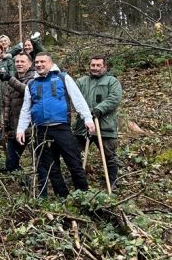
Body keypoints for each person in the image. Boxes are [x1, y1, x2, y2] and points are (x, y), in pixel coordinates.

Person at [16, 53, 94, 197]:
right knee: (51, 167)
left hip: (61, 128)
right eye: (37, 62)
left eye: (43, 62)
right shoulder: (31, 84)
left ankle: (83, 196)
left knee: (74, 162)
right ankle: (63, 197)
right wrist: (21, 128)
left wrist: (87, 118)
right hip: (41, 130)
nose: (39, 65)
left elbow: (78, 99)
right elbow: (26, 109)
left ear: (51, 63)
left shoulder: (62, 78)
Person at [71, 55, 123, 187]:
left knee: (109, 155)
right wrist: (85, 112)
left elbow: (114, 98)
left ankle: (112, 182)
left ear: (104, 67)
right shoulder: (81, 81)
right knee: (74, 153)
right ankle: (79, 181)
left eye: (98, 65)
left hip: (104, 125)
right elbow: (73, 97)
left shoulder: (112, 81)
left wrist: (99, 109)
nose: (95, 68)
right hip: (82, 126)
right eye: (93, 65)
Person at [0, 52, 35, 174]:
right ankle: (22, 182)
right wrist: (4, 123)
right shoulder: (12, 79)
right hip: (13, 127)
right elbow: (5, 103)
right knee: (11, 163)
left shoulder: (34, 78)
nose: (19, 64)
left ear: (30, 64)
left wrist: (10, 79)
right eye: (17, 62)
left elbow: (28, 92)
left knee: (38, 160)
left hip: (30, 127)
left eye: (22, 61)